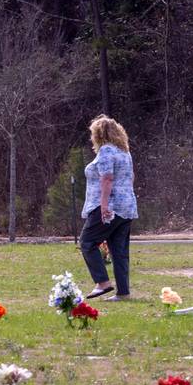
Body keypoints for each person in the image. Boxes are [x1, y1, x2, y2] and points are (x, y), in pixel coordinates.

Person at [80, 115, 138, 300]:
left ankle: (102, 282)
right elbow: (131, 177)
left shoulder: (106, 151)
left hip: (108, 207)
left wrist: (104, 206)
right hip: (127, 207)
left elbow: (107, 178)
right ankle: (123, 293)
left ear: (98, 134)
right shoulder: (124, 152)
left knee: (87, 242)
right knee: (119, 252)